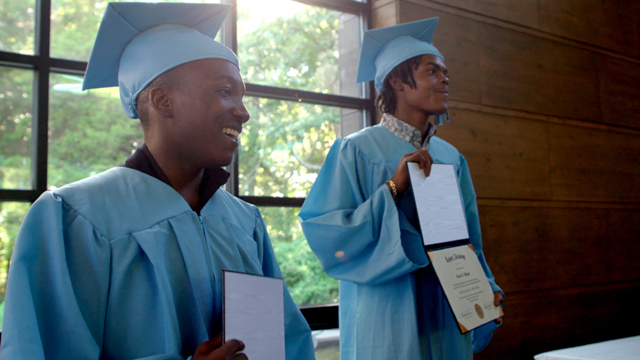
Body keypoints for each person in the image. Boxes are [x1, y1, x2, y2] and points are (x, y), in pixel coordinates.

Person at [0, 3, 315, 360]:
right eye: (224, 92)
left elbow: (285, 346)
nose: (243, 112)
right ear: (162, 100)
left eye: (242, 97)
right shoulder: (76, 219)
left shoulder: (245, 222)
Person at [298, 17, 503, 360]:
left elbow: (468, 240)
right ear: (397, 81)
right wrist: (394, 187)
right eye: (432, 71)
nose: (445, 79)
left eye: (445, 72)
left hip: (447, 309)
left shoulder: (450, 157)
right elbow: (327, 234)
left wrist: (485, 284)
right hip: (387, 312)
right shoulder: (357, 150)